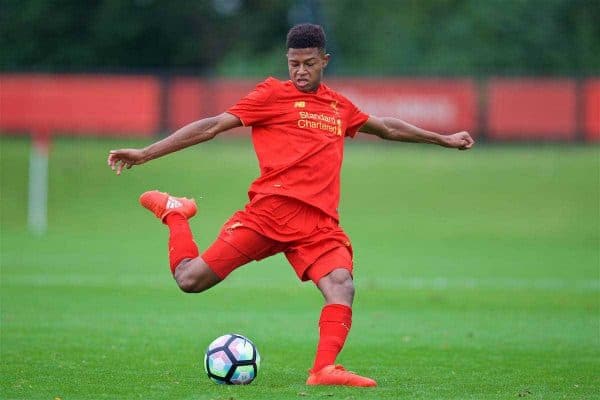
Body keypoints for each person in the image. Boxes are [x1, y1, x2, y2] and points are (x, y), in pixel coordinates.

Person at [107, 23, 474, 387]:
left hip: (317, 226)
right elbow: (211, 126)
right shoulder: (270, 95)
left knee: (341, 285)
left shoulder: (338, 106)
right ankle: (174, 212)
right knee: (190, 280)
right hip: (267, 216)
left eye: (309, 63)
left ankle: (323, 370)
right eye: (294, 63)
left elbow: (388, 128)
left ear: (324, 61)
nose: (300, 71)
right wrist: (145, 153)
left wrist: (443, 139)